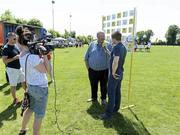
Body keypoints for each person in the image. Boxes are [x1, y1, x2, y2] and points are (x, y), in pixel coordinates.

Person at [16, 26, 50, 135]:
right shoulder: (32, 57)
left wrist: (39, 53)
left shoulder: (22, 55)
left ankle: (23, 129)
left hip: (31, 86)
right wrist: (45, 56)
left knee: (30, 108)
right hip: (40, 88)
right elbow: (46, 70)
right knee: (39, 115)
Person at [100, 31, 127, 120]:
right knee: (117, 92)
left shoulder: (116, 47)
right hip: (120, 73)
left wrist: (112, 72)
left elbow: (115, 61)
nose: (111, 40)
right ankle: (116, 108)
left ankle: (108, 114)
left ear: (114, 38)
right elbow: (113, 56)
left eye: (112, 38)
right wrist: (106, 50)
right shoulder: (123, 47)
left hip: (115, 74)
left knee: (111, 93)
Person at [84, 32, 112, 105]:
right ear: (97, 37)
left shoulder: (108, 45)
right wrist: (89, 69)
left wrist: (106, 49)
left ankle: (103, 99)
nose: (103, 38)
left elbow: (112, 57)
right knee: (93, 85)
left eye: (103, 36)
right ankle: (94, 98)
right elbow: (86, 57)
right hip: (92, 70)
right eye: (101, 36)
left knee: (104, 86)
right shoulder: (92, 44)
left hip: (104, 70)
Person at [2, 32, 26, 105]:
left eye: (16, 38)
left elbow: (20, 53)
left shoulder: (15, 45)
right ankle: (15, 99)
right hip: (12, 69)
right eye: (14, 38)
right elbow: (4, 61)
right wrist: (14, 58)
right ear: (9, 38)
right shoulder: (6, 48)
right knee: (13, 85)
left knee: (24, 81)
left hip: (19, 68)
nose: (16, 39)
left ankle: (27, 95)